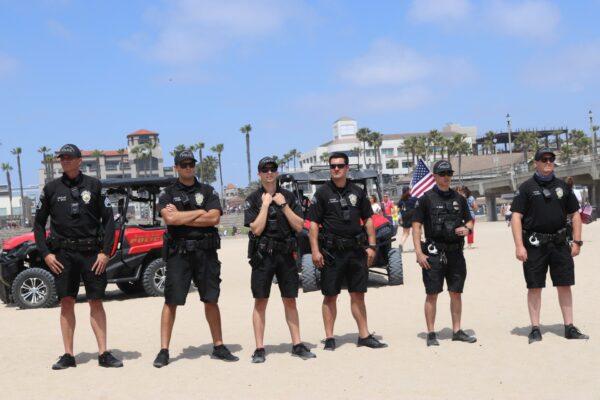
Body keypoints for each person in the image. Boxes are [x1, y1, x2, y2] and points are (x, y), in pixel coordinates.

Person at [34, 144, 122, 370]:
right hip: (62, 255)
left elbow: (109, 220)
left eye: (69, 158)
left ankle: (103, 353)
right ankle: (68, 355)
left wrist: (105, 252)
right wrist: (46, 254)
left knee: (96, 301)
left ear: (79, 160)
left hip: (92, 254)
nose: (64, 161)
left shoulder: (94, 186)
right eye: (61, 158)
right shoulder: (51, 188)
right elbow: (38, 223)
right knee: (66, 302)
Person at [153, 150, 238, 368]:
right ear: (176, 168)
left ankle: (218, 345)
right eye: (183, 164)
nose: (188, 167)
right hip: (178, 254)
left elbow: (215, 218)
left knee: (211, 299)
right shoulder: (168, 193)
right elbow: (169, 218)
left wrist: (182, 218)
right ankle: (164, 350)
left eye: (191, 163)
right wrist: (200, 213)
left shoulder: (207, 190)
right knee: (171, 301)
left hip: (205, 253)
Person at [308, 152, 387, 350]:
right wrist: (315, 251)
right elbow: (314, 225)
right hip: (332, 253)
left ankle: (364, 335)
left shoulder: (358, 192)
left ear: (347, 168)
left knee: (358, 294)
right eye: (333, 166)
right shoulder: (322, 193)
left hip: (356, 251)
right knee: (330, 296)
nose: (336, 169)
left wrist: (371, 246)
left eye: (340, 166)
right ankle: (330, 338)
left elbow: (368, 219)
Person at [510, 148, 588, 344]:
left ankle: (569, 327)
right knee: (535, 286)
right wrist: (519, 246)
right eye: (543, 159)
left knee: (564, 284)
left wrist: (577, 241)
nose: (548, 162)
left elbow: (575, 214)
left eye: (551, 159)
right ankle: (535, 328)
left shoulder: (563, 187)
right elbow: (516, 217)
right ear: (535, 162)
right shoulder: (526, 188)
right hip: (535, 245)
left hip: (560, 244)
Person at [244, 157, 316, 363]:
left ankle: (297, 344)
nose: (268, 173)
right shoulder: (253, 199)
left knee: (290, 300)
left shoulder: (289, 197)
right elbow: (256, 229)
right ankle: (259, 348)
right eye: (264, 169)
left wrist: (283, 206)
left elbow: (299, 225)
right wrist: (265, 206)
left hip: (285, 255)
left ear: (277, 172)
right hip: (263, 255)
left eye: (272, 169)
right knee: (260, 301)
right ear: (259, 173)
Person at [411, 160, 477, 346]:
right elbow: (416, 227)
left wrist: (467, 229)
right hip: (433, 254)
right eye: (442, 174)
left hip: (455, 253)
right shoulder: (426, 199)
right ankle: (431, 333)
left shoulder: (459, 199)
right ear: (435, 177)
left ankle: (457, 331)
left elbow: (470, 221)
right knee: (432, 293)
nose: (446, 177)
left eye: (449, 173)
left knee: (456, 292)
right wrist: (418, 253)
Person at [397, 187, 417, 251]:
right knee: (416, 232)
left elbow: (398, 210)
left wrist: (400, 218)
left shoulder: (401, 201)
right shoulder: (413, 199)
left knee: (405, 233)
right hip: (413, 217)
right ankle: (417, 246)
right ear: (409, 191)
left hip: (405, 217)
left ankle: (401, 244)